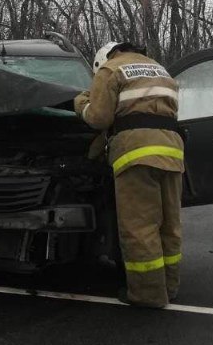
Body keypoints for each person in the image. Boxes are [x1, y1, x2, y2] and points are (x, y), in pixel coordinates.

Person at [74, 41, 183, 308]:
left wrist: (81, 103)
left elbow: (99, 119)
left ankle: (147, 295)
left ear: (102, 59)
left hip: (136, 155)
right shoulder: (160, 70)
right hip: (172, 153)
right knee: (168, 225)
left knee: (140, 227)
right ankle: (169, 286)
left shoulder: (111, 70)